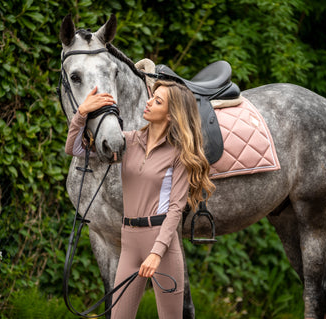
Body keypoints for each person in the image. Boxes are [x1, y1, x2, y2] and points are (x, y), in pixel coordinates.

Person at [65, 80, 215, 319]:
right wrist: (81, 114)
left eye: (157, 101)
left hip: (162, 245)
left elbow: (176, 210)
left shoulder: (178, 153)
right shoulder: (129, 141)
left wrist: (156, 253)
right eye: (151, 97)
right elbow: (75, 149)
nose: (148, 102)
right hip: (130, 242)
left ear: (170, 114)